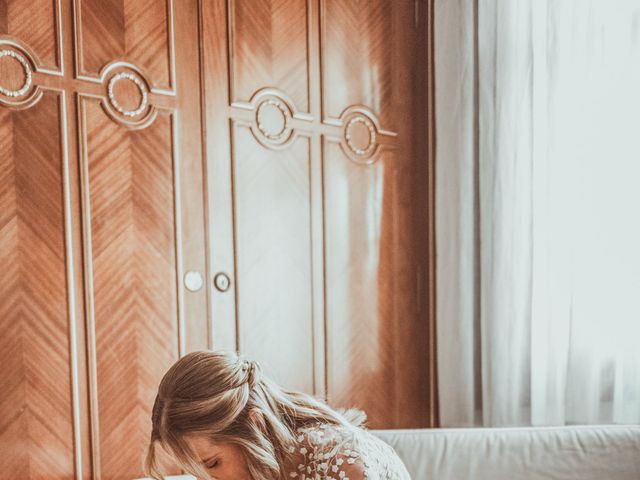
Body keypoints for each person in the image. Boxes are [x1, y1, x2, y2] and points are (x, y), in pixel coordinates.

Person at [146, 350, 411, 480]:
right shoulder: (269, 469)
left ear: (256, 425)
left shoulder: (344, 464)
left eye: (213, 463)